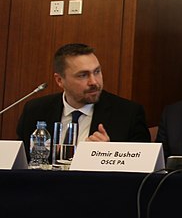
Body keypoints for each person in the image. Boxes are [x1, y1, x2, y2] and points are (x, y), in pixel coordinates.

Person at [16, 43, 150, 153]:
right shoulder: (35, 111)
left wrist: (109, 154)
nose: (94, 82)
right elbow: (23, 164)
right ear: (59, 80)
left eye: (97, 72)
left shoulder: (128, 114)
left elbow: (142, 170)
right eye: (83, 75)